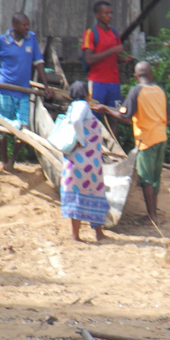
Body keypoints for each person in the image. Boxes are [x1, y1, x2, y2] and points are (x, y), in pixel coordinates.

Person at [100, 60, 169, 221]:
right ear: (151, 74)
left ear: (136, 76)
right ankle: (153, 213)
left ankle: (151, 216)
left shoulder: (136, 91)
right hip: (161, 138)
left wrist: (106, 109)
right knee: (155, 177)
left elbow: (125, 116)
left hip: (146, 140)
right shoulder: (160, 90)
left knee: (146, 179)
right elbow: (168, 115)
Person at [0, 12, 45, 171]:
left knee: (23, 128)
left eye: (28, 25)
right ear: (15, 26)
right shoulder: (2, 41)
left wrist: (46, 86)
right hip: (4, 91)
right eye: (24, 25)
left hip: (23, 92)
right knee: (2, 126)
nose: (27, 28)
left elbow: (39, 62)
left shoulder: (31, 39)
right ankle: (3, 160)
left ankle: (12, 160)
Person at [58, 81, 110, 242]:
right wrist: (82, 140)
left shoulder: (72, 106)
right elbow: (77, 121)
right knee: (95, 192)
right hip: (86, 162)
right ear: (86, 94)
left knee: (77, 196)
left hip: (76, 161)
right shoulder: (82, 105)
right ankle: (98, 233)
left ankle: (77, 235)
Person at [81, 0, 127, 109]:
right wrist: (112, 50)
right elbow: (89, 59)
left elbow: (112, 58)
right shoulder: (91, 33)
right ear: (97, 15)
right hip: (97, 82)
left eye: (111, 13)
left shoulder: (115, 33)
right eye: (106, 13)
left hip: (114, 82)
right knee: (94, 115)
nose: (110, 16)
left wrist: (124, 59)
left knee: (114, 115)